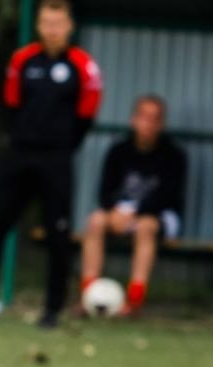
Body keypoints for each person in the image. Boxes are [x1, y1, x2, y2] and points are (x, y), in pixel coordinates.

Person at [0, 0, 102, 329]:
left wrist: (61, 145)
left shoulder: (83, 66)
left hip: (57, 160)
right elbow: (10, 105)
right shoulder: (22, 61)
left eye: (58, 23)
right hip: (19, 156)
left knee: (58, 235)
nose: (52, 29)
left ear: (69, 26)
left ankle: (52, 311)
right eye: (47, 23)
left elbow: (86, 116)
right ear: (38, 26)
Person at [79, 94, 186, 316]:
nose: (148, 124)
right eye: (144, 117)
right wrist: (117, 211)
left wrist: (136, 213)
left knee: (145, 227)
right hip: (123, 211)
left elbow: (169, 196)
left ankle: (135, 301)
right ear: (133, 120)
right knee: (96, 220)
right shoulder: (119, 150)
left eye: (154, 119)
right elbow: (104, 193)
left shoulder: (174, 154)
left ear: (161, 124)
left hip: (161, 215)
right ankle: (89, 295)